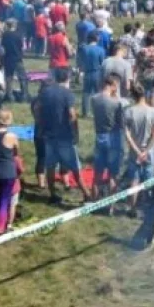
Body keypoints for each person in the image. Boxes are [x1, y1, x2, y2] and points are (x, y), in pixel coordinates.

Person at [35, 69, 91, 205]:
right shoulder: (67, 94)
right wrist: (74, 130)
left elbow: (37, 108)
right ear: (67, 79)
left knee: (50, 166)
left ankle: (52, 194)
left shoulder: (45, 92)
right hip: (64, 136)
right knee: (75, 167)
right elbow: (72, 115)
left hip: (48, 134)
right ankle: (87, 195)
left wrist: (41, 123)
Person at [122, 83, 154, 212]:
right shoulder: (153, 111)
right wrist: (146, 151)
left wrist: (137, 151)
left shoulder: (128, 111)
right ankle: (148, 207)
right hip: (149, 151)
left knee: (134, 179)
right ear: (145, 95)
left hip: (134, 150)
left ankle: (132, 208)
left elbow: (127, 134)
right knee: (149, 179)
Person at [90, 75, 126, 200]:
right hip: (113, 137)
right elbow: (121, 124)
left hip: (100, 135)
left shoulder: (94, 99)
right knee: (113, 174)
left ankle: (94, 201)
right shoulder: (116, 103)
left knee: (97, 174)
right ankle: (110, 205)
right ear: (113, 85)